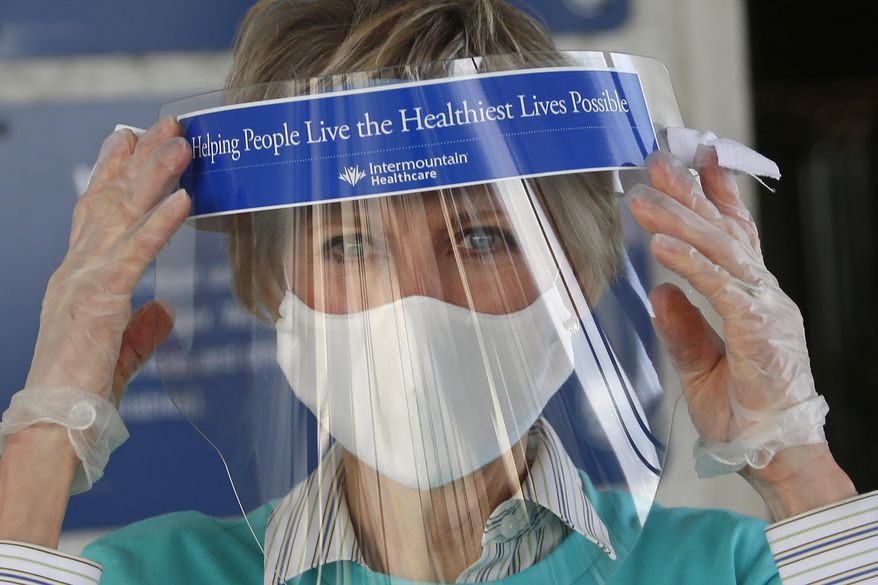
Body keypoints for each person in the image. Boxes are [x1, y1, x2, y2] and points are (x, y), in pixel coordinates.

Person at [0, 1, 874, 584]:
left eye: (482, 235)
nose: (413, 304)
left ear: (577, 268)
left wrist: (794, 459)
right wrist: (45, 435)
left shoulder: (725, 569)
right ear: (275, 286)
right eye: (348, 243)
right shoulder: (157, 576)